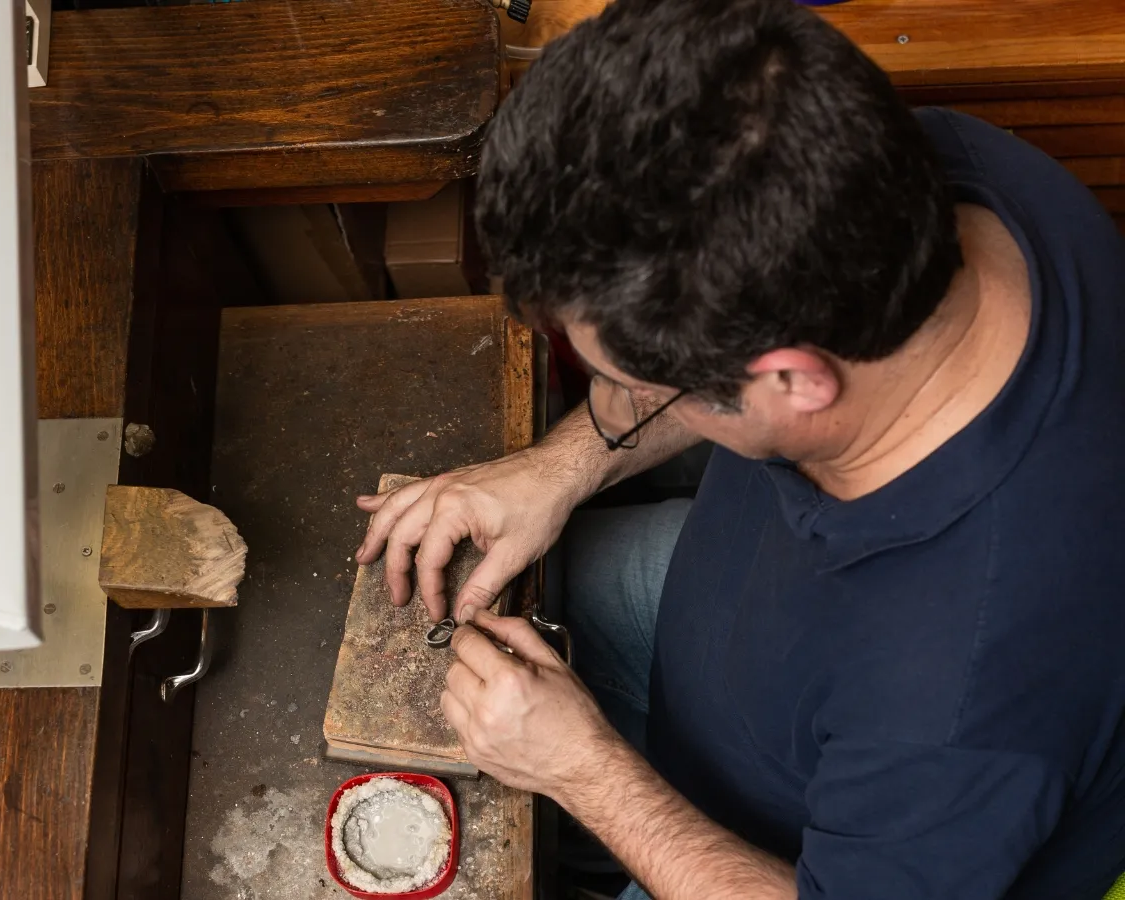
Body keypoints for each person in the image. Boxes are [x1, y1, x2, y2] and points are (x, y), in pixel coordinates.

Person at [353, 0, 1125, 897]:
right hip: (734, 622)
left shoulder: (961, 696)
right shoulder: (925, 166)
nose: (621, 404)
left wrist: (583, 770)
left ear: (795, 382)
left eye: (636, 386)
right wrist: (554, 470)